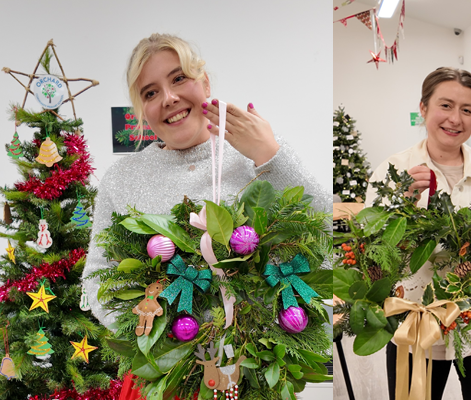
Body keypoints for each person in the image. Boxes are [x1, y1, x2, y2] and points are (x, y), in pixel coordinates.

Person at [82, 33, 335, 328]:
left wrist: (269, 157)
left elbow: (327, 233)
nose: (168, 98)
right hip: (167, 368)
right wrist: (143, 338)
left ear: (205, 83)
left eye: (178, 78)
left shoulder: (255, 151)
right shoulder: (121, 179)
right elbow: (98, 276)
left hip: (262, 365)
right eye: (150, 93)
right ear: (142, 110)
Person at [365, 67, 471, 400]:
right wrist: (401, 204)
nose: (456, 118)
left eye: (467, 110)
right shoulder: (392, 172)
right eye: (446, 105)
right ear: (423, 108)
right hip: (415, 326)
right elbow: (374, 255)